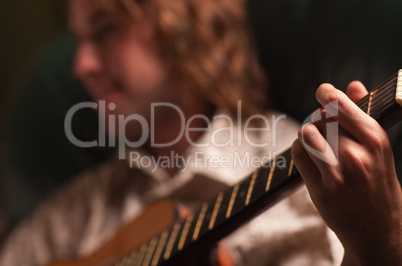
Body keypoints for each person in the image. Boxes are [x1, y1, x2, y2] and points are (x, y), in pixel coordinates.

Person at [0, 0, 401, 266]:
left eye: (105, 30)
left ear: (182, 26)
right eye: (79, 41)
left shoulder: (309, 176)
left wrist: (377, 244)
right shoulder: (67, 219)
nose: (81, 65)